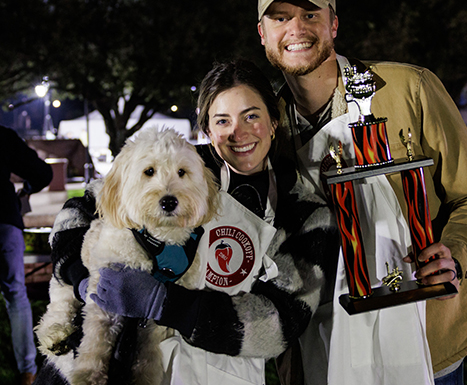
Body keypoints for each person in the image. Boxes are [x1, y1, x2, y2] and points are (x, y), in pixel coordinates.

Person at [256, 0, 467, 385]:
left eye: (310, 15)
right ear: (262, 33)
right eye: (279, 17)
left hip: (426, 335)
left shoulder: (409, 87)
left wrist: (456, 255)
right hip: (322, 345)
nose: (296, 28)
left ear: (334, 24)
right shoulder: (267, 126)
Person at [34, 59, 337, 385]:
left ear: (274, 121)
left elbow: (279, 324)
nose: (239, 133)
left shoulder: (303, 212)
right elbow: (76, 212)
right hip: (97, 361)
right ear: (207, 129)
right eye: (223, 121)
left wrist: (166, 304)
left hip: (216, 374)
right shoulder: (173, 161)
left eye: (252, 116)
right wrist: (83, 278)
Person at [0, 125, 53, 385]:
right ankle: (28, 371)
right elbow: (43, 173)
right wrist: (27, 188)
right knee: (16, 295)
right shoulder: (3, 136)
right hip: (5, 221)